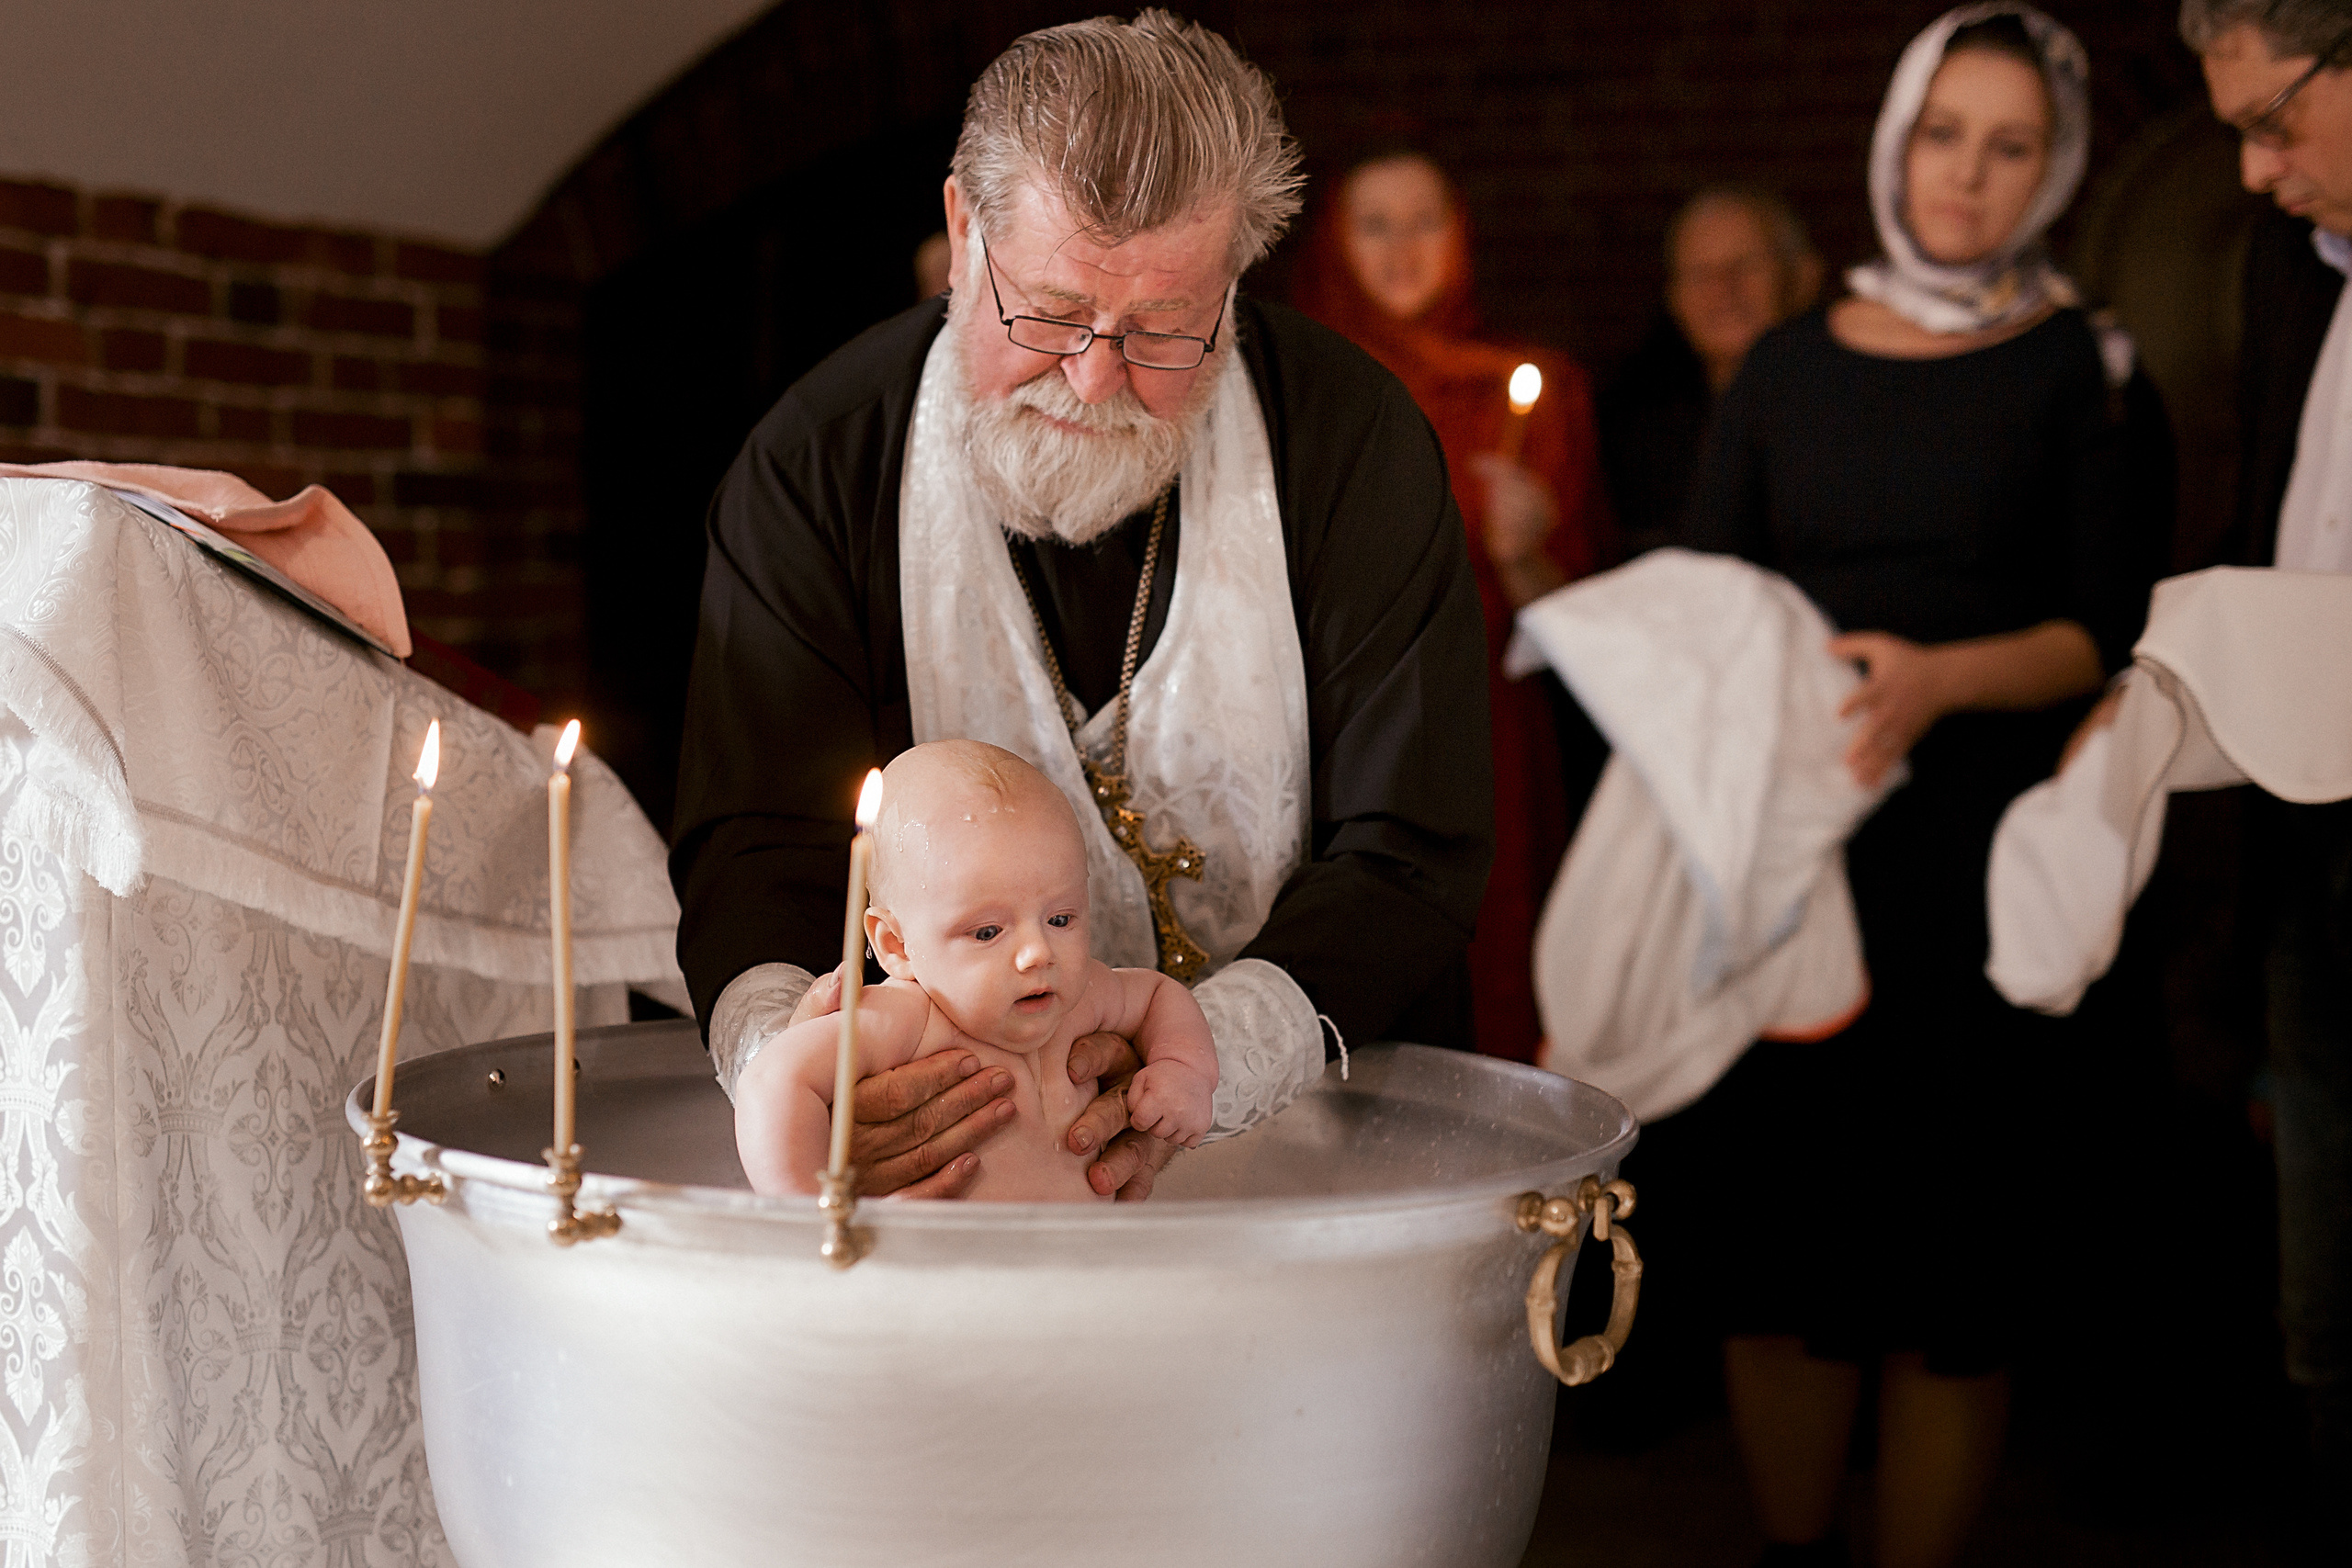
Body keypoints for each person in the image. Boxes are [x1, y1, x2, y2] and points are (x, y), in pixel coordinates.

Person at [670, 11, 1491, 1205]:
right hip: (954, 1187)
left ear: (1236, 280)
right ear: (963, 232)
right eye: (1048, 314)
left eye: (1163, 328)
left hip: (1315, 1170)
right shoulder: (818, 461)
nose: (1095, 378)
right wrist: (793, 1073)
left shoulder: (1354, 446)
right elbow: (757, 838)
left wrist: (1220, 1054)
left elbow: (1411, 844)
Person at [1674, 8, 2171, 1565]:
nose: (1969, 173)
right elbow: (1706, 594)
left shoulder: (2086, 368)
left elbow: (2110, 629)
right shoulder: (1785, 365)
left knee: (1948, 1265)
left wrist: (1943, 677)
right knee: (1781, 1243)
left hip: (1975, 857)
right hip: (1793, 852)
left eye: (2010, 143)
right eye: (1945, 132)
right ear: (1895, 141)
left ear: (2055, 166)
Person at [1290, 149, 1613, 1064]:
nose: (1402, 248)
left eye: (1425, 220)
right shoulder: (1300, 388)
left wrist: (1527, 555)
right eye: (1374, 224)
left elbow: (1590, 634)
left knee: (1495, 963)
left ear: (1462, 236)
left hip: (1488, 731)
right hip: (1337, 730)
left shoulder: (1531, 391)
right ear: (1332, 244)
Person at [2181, 0, 2352, 1551]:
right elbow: (2269, 531)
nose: (2251, 168)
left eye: (2275, 120)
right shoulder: (2290, 262)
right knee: (2325, 1312)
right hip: (2319, 867)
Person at [735, 741, 1216, 1200]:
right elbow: (772, 1082)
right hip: (942, 1272)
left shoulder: (1084, 995)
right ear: (896, 946)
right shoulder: (908, 1019)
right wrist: (808, 1206)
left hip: (1083, 1266)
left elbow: (1158, 995)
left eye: (1060, 919)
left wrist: (1182, 1068)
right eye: (987, 932)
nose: (1037, 952)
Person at [1598, 186, 1823, 558]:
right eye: (1701, 273)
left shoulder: (1849, 419)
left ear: (1802, 279)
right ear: (1675, 300)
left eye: (1746, 266)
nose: (1723, 290)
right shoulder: (1636, 438)